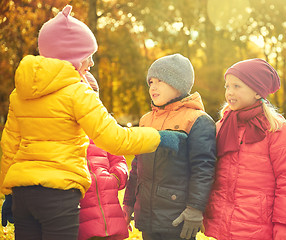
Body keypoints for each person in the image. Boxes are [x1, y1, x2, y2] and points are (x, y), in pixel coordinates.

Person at [0, 5, 171, 240]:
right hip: (58, 195)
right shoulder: (77, 92)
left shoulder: (20, 94)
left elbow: (9, 147)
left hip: (23, 194)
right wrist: (159, 136)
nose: (90, 63)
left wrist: (8, 192)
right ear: (72, 57)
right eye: (87, 56)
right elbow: (114, 138)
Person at [203, 58, 286, 240]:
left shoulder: (276, 129)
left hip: (257, 224)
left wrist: (283, 223)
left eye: (237, 86)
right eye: (227, 86)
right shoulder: (222, 126)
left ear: (257, 92)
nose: (229, 92)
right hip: (223, 220)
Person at [123, 53, 217, 240]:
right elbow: (136, 167)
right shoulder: (146, 120)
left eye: (160, 81)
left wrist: (195, 209)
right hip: (147, 216)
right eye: (151, 82)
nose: (153, 87)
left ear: (178, 84)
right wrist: (129, 203)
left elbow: (203, 169)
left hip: (178, 217)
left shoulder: (197, 120)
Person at [78, 72, 129, 240]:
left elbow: (119, 160)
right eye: (86, 90)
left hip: (110, 213)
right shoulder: (68, 130)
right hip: (82, 216)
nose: (92, 95)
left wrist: (116, 176)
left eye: (95, 91)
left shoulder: (105, 128)